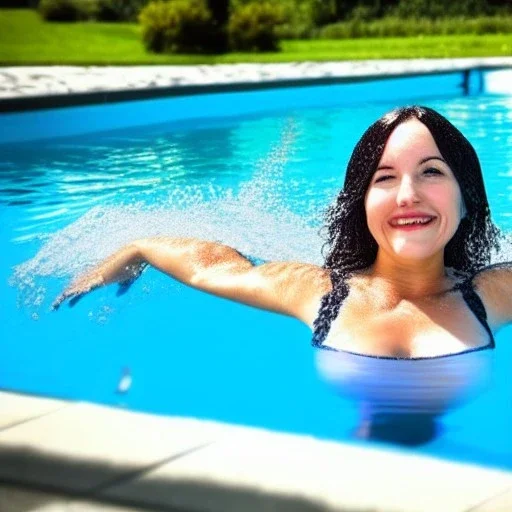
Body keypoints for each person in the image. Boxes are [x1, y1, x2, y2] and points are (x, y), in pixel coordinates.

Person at [53, 106, 512, 442]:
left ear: (466, 196)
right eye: (384, 178)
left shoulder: (491, 293)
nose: (407, 195)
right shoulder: (322, 294)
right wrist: (137, 249)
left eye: (431, 171)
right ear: (361, 203)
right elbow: (215, 265)